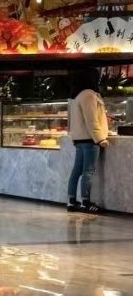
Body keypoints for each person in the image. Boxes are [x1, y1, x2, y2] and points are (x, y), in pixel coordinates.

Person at [66, 68, 109, 213]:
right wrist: (100, 138)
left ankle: (71, 202)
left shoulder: (76, 95)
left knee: (76, 171)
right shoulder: (88, 95)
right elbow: (92, 120)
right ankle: (86, 202)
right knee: (88, 172)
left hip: (79, 139)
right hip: (90, 139)